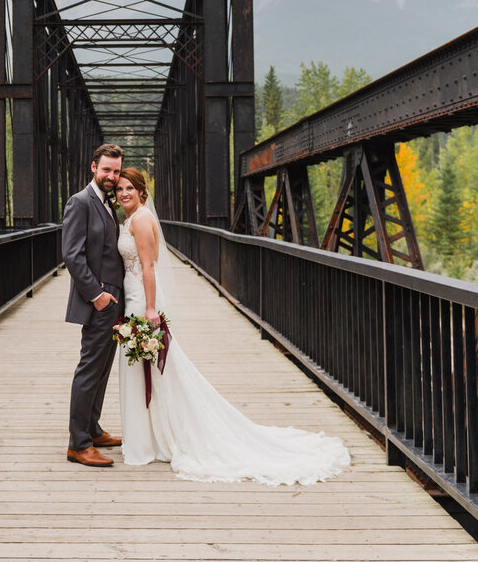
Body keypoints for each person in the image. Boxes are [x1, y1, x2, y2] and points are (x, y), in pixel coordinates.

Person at [114, 168, 351, 484]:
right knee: (152, 371)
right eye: (119, 189)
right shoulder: (131, 219)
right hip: (132, 296)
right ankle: (148, 438)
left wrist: (150, 308)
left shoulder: (141, 220)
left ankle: (146, 443)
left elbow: (147, 266)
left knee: (151, 370)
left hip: (140, 300)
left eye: (130, 187)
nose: (123, 193)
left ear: (142, 191)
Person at [62, 143, 127, 467]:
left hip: (114, 300)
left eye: (116, 171)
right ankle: (79, 443)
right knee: (89, 369)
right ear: (93, 167)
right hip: (99, 300)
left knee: (101, 369)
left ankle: (93, 427)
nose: (112, 176)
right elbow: (72, 254)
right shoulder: (81, 202)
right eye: (106, 170)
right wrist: (96, 295)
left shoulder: (107, 203)